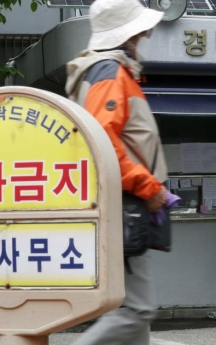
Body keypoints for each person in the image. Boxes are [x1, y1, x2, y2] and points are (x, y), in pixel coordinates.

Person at [65, 0, 168, 344]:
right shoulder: (109, 72)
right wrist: (150, 187)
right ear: (128, 34)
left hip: (119, 202)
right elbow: (105, 143)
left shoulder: (103, 70)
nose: (147, 33)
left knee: (131, 312)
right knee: (136, 310)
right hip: (125, 204)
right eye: (141, 28)